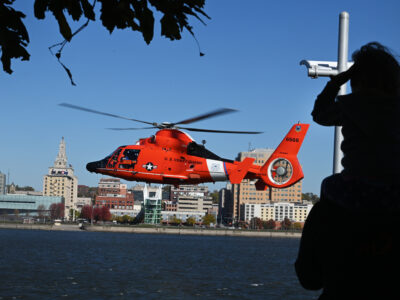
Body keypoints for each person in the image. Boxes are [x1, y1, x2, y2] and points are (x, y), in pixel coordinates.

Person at [295, 42, 400, 300]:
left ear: (356, 79)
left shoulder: (351, 105)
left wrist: (335, 83)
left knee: (328, 186)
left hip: (351, 187)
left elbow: (320, 114)